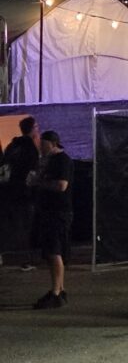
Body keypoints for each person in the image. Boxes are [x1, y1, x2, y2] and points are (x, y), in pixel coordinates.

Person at [28, 131, 74, 309]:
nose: (41, 147)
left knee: (54, 251)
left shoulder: (62, 161)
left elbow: (62, 185)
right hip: (50, 211)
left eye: (44, 143)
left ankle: (55, 292)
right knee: (53, 251)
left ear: (53, 143)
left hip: (57, 213)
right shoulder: (49, 160)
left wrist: (39, 183)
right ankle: (59, 289)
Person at [2, 115, 40, 268]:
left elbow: (5, 166)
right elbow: (32, 171)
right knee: (27, 225)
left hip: (8, 191)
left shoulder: (12, 145)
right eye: (37, 127)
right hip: (25, 193)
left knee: (8, 224)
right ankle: (26, 259)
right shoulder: (30, 148)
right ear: (33, 130)